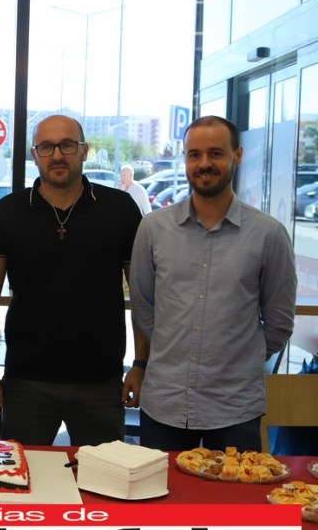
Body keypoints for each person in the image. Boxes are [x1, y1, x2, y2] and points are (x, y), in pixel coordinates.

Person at [127, 116, 297, 451]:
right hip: (164, 403)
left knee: (236, 487)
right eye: (195, 154)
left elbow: (279, 323)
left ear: (237, 155)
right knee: (161, 486)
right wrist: (169, 347)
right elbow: (143, 307)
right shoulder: (153, 229)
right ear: (185, 159)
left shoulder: (269, 235)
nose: (204, 163)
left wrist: (237, 356)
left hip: (235, 408)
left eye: (216, 153)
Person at [0, 115, 146, 446]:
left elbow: (143, 298)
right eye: (46, 147)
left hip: (101, 381)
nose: (57, 155)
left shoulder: (120, 209)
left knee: (103, 475)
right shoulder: (8, 212)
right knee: (26, 473)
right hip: (26, 380)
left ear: (84, 151)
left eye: (67, 145)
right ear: (34, 155)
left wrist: (141, 364)